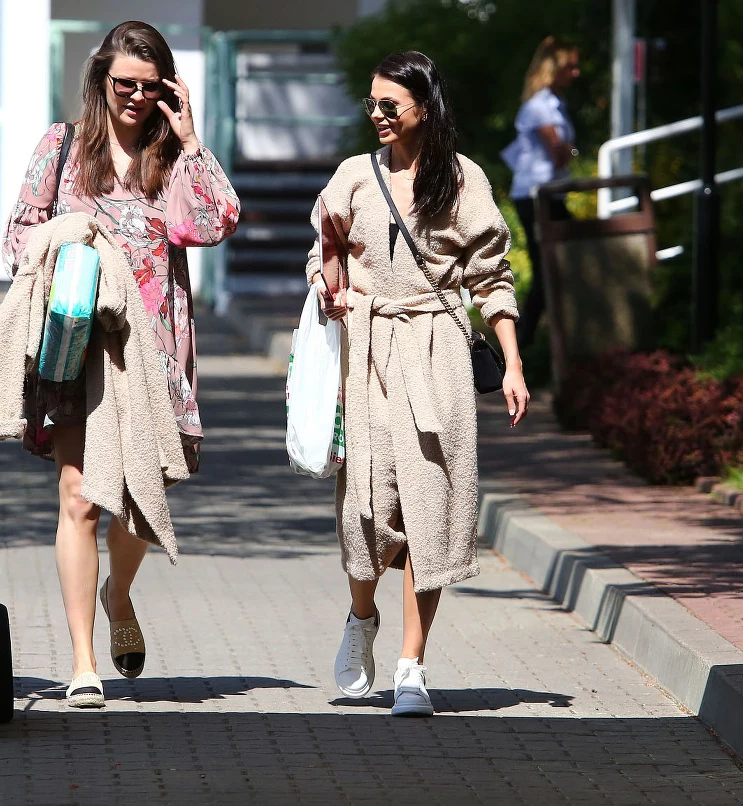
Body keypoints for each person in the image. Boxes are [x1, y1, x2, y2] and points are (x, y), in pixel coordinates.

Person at [2, 21, 239, 708]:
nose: (135, 97)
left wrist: (191, 141)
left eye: (150, 86)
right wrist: (67, 245)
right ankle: (82, 662)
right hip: (79, 347)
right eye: (123, 85)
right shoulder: (62, 147)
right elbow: (18, 235)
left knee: (138, 503)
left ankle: (120, 592)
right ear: (100, 79)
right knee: (79, 498)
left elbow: (215, 223)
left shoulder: (173, 160)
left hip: (153, 353)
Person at [307, 51, 530, 717]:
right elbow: (324, 253)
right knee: (366, 510)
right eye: (371, 105)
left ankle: (411, 665)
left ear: (423, 110)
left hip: (437, 352)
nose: (375, 115)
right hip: (369, 353)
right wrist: (330, 288)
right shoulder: (353, 176)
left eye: (389, 106)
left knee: (427, 507)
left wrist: (514, 363)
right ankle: (361, 617)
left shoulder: (464, 182)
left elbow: (492, 275)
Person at [500, 37, 581, 348]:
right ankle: (524, 344)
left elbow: (561, 150)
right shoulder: (540, 105)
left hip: (548, 195)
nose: (575, 73)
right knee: (549, 267)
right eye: (569, 67)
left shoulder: (553, 103)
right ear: (553, 68)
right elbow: (559, 151)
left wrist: (566, 150)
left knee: (560, 264)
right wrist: (569, 150)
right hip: (536, 197)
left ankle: (536, 342)